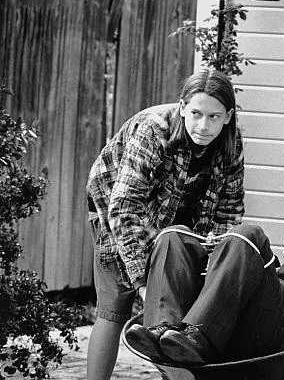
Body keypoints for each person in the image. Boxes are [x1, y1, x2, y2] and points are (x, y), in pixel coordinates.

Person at [85, 68, 245, 380]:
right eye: (196, 113)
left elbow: (229, 210)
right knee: (115, 305)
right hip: (114, 208)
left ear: (228, 117)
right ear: (183, 107)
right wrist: (143, 283)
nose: (203, 125)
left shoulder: (232, 142)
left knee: (175, 309)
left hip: (177, 217)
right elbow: (125, 206)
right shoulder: (154, 129)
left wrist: (212, 268)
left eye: (214, 117)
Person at [126, 204, 284, 376]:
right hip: (231, 331)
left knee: (248, 235)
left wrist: (257, 277)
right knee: (174, 236)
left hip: (279, 348)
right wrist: (218, 267)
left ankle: (197, 336)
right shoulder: (272, 266)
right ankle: (163, 332)